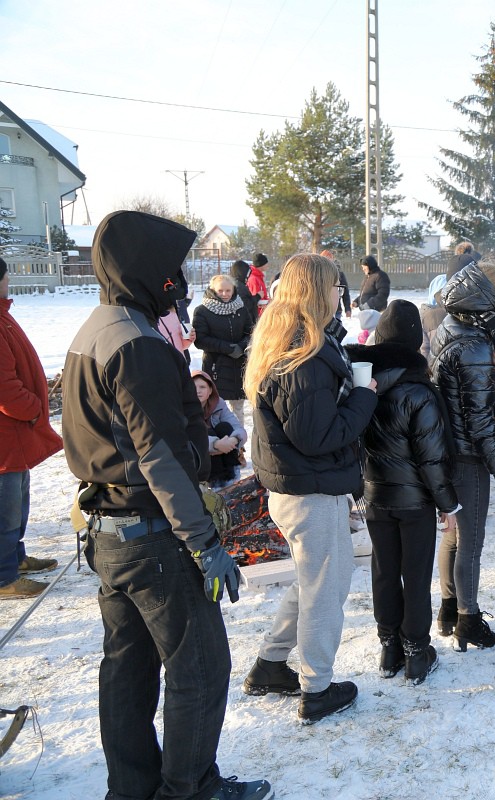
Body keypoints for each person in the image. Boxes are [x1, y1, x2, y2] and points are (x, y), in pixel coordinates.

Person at [61, 211, 270, 800]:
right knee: (199, 665)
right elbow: (158, 458)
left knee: (126, 670)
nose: (178, 280)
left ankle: (131, 789)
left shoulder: (96, 329)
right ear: (146, 269)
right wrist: (205, 544)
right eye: (170, 268)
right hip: (152, 534)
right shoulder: (138, 345)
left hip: (110, 533)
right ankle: (191, 788)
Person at [242, 252, 378, 724]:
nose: (341, 294)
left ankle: (271, 664)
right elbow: (319, 436)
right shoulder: (302, 355)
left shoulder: (293, 341)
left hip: (299, 486)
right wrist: (364, 397)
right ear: (318, 291)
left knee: (316, 579)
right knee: (325, 589)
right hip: (308, 491)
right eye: (336, 288)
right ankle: (316, 689)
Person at [345, 300, 459, 686]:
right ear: (415, 341)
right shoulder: (420, 392)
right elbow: (431, 459)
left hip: (376, 497)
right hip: (414, 503)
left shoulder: (362, 387)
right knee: (414, 572)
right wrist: (448, 504)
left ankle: (389, 646)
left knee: (384, 571)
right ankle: (415, 650)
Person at [429, 262, 495, 651]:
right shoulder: (477, 345)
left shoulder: (453, 325)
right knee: (471, 540)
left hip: (450, 447)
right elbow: (481, 423)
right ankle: (468, 618)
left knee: (453, 533)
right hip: (468, 454)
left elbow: (461, 394)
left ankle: (449, 609)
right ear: (486, 296)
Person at [0, 256, 63, 600]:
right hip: (6, 438)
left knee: (18, 502)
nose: (9, 281)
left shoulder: (2, 315)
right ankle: (4, 577)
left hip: (14, 437)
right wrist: (33, 408)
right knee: (5, 510)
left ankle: (15, 559)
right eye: (6, 277)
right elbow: (5, 388)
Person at [192, 274, 254, 428]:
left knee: (238, 407)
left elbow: (251, 331)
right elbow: (201, 340)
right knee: (214, 405)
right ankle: (215, 440)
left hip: (239, 364)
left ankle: (239, 442)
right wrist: (227, 348)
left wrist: (242, 346)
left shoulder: (241, 308)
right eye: (221, 291)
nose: (225, 294)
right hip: (216, 365)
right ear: (213, 290)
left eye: (228, 290)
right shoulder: (202, 311)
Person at [191, 370, 245, 489]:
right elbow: (188, 437)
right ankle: (215, 484)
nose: (198, 390)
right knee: (206, 432)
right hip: (197, 459)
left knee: (224, 427)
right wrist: (216, 444)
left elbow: (238, 428)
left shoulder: (218, 403)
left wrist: (234, 440)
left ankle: (232, 476)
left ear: (210, 390)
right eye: (193, 386)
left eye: (202, 387)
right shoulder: (183, 407)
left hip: (224, 454)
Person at [320, 250, 353, 318]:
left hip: (336, 310)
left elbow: (345, 292)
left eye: (329, 261)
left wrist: (347, 309)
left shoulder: (339, 274)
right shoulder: (317, 275)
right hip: (321, 311)